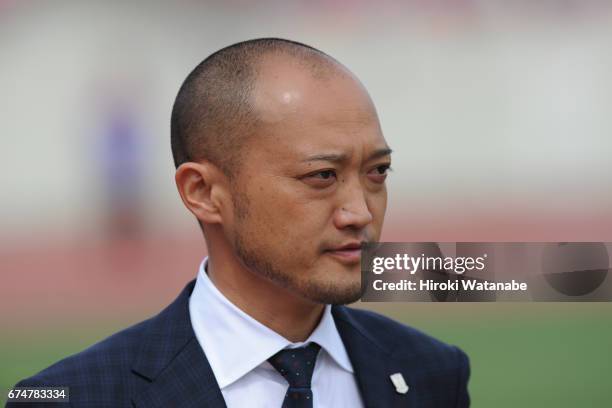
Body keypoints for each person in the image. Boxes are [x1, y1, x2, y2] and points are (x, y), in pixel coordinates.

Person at [8, 38, 470, 408]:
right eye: (322, 176)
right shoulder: (73, 397)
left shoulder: (432, 373)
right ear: (204, 193)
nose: (361, 213)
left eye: (377, 173)